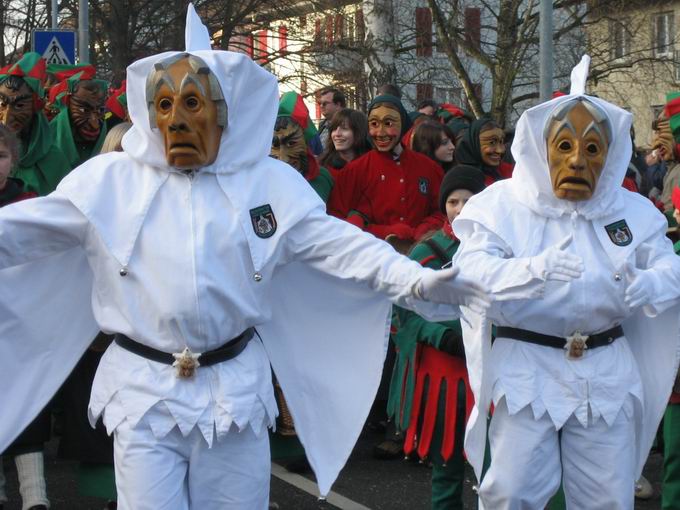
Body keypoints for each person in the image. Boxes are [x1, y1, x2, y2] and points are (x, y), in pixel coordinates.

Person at [0, 7, 490, 509]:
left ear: (224, 111)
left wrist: (416, 281)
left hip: (231, 392)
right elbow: (20, 232)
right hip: (143, 393)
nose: (177, 120)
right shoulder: (106, 184)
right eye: (164, 104)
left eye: (192, 103)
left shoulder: (268, 185)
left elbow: (341, 247)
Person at [453, 56, 680, 509]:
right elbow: (469, 273)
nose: (577, 161)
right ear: (542, 147)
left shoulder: (630, 211)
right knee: (512, 491)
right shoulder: (501, 206)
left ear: (609, 154)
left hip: (606, 370)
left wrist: (652, 284)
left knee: (607, 498)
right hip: (528, 365)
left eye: (591, 149)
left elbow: (670, 266)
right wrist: (530, 272)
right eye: (564, 146)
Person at [388, 165, 484, 509]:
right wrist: (442, 337)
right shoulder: (425, 251)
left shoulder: (500, 248)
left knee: (497, 471)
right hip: (444, 379)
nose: (459, 209)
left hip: (489, 373)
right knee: (447, 466)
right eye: (453, 201)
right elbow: (404, 312)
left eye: (468, 200)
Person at [328, 94, 444, 253]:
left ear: (402, 124)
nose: (380, 132)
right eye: (374, 124)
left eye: (389, 123)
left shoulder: (428, 168)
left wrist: (424, 229)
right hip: (371, 259)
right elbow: (337, 221)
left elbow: (442, 210)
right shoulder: (354, 172)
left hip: (421, 257)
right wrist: (384, 232)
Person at [0, 124, 45, 510]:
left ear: (13, 160)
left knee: (27, 404)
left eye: (0, 156)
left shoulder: (28, 203)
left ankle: (35, 495)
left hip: (19, 321)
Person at [0, 52, 70, 195]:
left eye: (19, 106)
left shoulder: (54, 160)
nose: (7, 117)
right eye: (2, 103)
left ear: (35, 107)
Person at [271, 91, 333, 203]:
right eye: (275, 145)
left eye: (291, 143)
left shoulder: (322, 180)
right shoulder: (262, 183)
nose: (283, 158)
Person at [48, 66, 109, 170]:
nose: (94, 123)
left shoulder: (113, 149)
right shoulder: (46, 146)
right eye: (84, 111)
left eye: (99, 111)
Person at [454, 117, 513, 185]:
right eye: (492, 143)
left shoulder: (508, 170)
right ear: (474, 144)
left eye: (501, 142)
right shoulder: (462, 179)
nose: (500, 150)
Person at [319, 108, 370, 176]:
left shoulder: (372, 165)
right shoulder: (323, 168)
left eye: (344, 129)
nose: (337, 134)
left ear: (359, 132)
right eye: (334, 129)